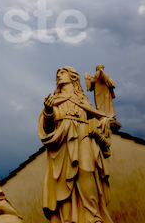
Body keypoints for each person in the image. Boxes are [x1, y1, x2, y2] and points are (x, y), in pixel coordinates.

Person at [39, 67, 113, 223]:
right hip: (62, 144)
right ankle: (67, 219)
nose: (58, 75)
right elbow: (47, 129)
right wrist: (48, 111)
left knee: (86, 171)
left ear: (73, 77)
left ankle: (93, 216)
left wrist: (105, 120)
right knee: (65, 182)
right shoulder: (54, 101)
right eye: (57, 73)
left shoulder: (83, 100)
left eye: (62, 72)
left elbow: (99, 117)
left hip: (83, 136)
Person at [84, 64, 119, 129]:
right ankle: (101, 115)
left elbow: (111, 83)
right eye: (100, 68)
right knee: (100, 103)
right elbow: (91, 83)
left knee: (107, 103)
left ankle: (109, 115)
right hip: (98, 92)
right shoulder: (95, 76)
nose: (101, 69)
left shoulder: (104, 74)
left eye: (102, 68)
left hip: (106, 92)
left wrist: (102, 72)